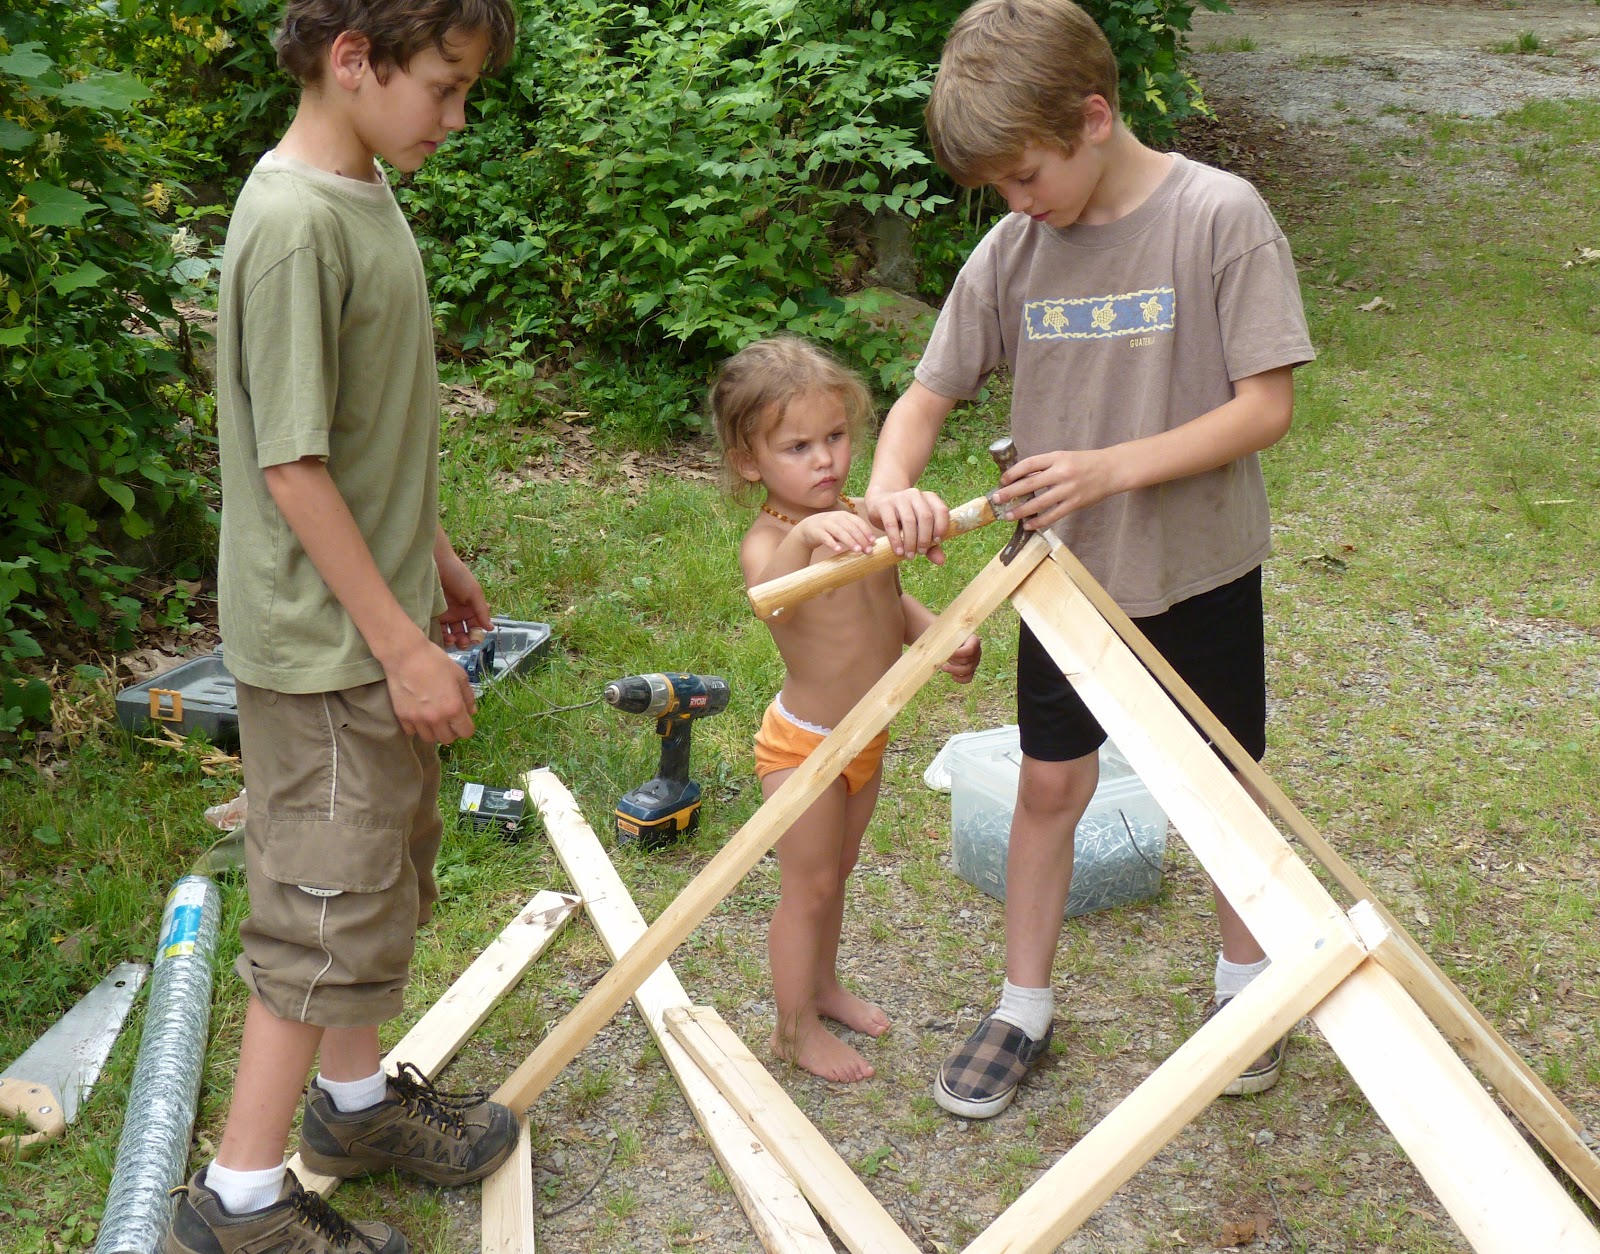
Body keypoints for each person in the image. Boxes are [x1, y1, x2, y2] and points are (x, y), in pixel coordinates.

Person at [864, 0, 1315, 1120]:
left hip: (1198, 568)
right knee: (1050, 783)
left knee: (1223, 789)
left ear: (1095, 118)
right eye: (1001, 191)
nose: (1018, 205)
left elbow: (1266, 407)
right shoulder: (1015, 248)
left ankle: (1245, 987)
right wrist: (889, 488)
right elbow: (927, 394)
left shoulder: (1219, 216)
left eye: (1025, 177)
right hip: (1062, 588)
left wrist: (1108, 470)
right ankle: (1022, 1005)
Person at [164, 2, 518, 1251]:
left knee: (369, 878)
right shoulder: (296, 226)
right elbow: (292, 466)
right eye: (447, 85)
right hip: (325, 653)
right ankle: (242, 1204)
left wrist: (434, 555)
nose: (457, 116)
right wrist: (401, 644)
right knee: (319, 912)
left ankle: (353, 1111)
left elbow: (362, 437)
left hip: (363, 622)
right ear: (354, 59)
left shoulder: (361, 185)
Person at [712, 336, 982, 1083]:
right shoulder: (772, 538)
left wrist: (940, 639)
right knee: (810, 885)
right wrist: (804, 536)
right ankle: (792, 1029)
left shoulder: (861, 514)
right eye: (797, 447)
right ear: (750, 462)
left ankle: (823, 986)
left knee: (844, 867)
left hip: (865, 739)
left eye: (834, 437)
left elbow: (887, 600)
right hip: (805, 747)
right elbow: (771, 600)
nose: (825, 459)